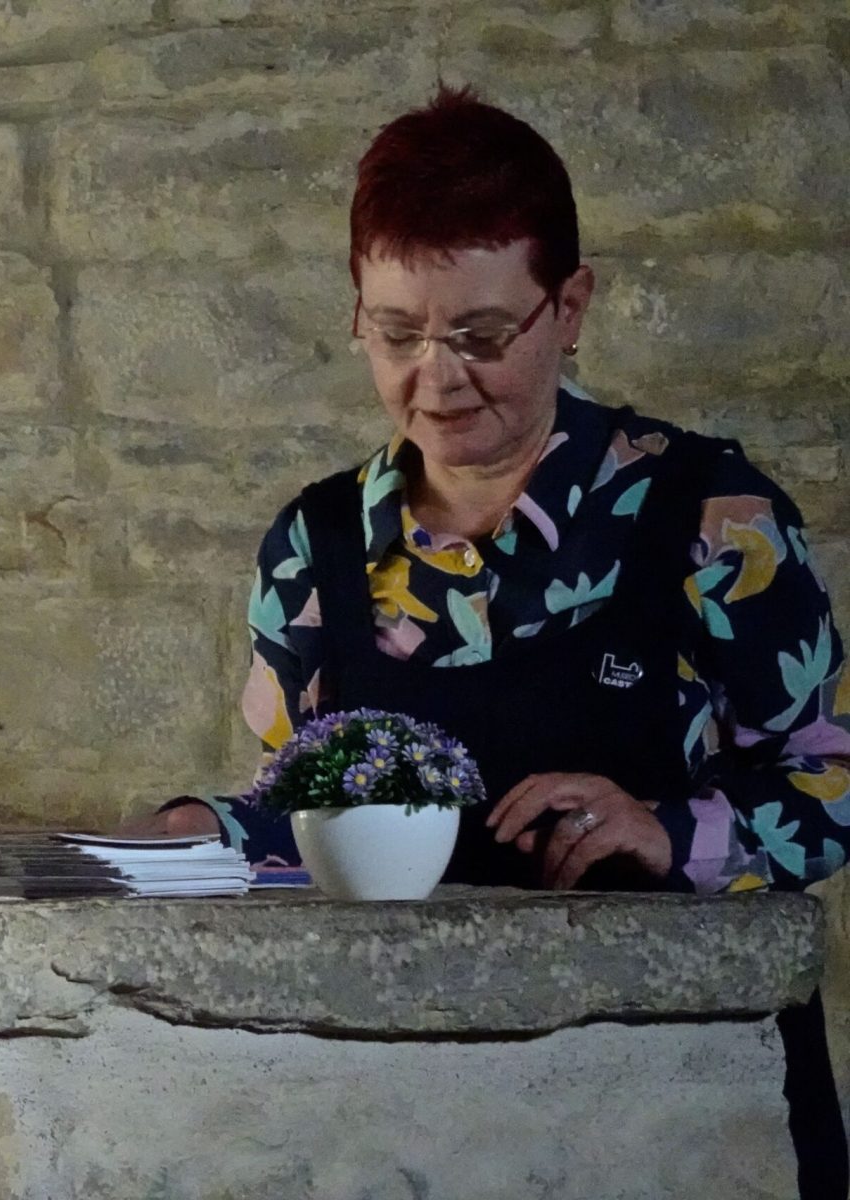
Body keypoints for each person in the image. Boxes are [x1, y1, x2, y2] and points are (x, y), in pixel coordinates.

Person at [125, 85, 849, 1195]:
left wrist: (669, 832)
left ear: (570, 306)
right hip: (405, 1124)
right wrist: (201, 833)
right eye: (396, 333)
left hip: (685, 1107)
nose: (437, 378)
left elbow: (833, 787)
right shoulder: (314, 547)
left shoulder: (715, 520)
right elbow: (305, 822)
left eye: (481, 334)